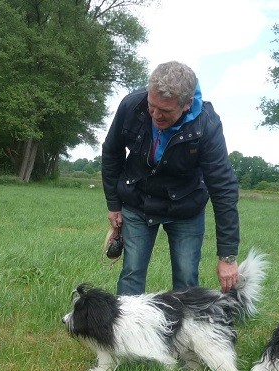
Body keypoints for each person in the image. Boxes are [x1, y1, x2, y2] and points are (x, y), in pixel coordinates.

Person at [101, 61, 240, 296]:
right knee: (132, 272)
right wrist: (114, 205)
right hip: (137, 201)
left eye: (165, 111)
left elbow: (223, 186)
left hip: (185, 206)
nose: (155, 115)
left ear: (186, 105)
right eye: (151, 106)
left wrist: (227, 256)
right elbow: (111, 151)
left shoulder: (207, 124)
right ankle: (127, 332)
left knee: (186, 279)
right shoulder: (131, 105)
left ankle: (185, 333)